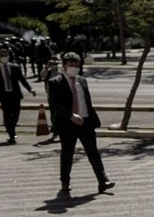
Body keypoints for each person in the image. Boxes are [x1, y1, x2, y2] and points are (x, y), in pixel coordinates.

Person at [47, 52, 115, 195]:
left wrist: (90, 118)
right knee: (67, 154)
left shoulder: (82, 80)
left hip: (85, 122)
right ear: (64, 65)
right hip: (68, 124)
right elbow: (55, 104)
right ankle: (65, 182)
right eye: (71, 65)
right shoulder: (55, 82)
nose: (74, 68)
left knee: (93, 152)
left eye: (77, 65)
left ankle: (103, 181)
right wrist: (70, 116)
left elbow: (87, 101)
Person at [0, 48, 36, 143]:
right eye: (2, 56)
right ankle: (11, 133)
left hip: (15, 94)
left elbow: (22, 79)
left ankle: (12, 127)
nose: (4, 57)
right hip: (4, 95)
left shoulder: (15, 67)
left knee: (16, 113)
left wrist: (30, 89)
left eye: (5, 55)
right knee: (7, 114)